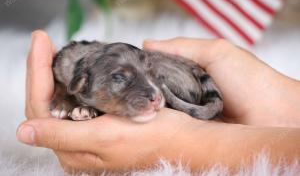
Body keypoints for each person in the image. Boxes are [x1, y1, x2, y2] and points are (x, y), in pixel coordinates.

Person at [17, 30, 300, 174]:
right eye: (121, 79)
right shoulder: (72, 71)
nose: (154, 93)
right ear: (81, 84)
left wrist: (198, 142)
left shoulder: (115, 71)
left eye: (151, 75)